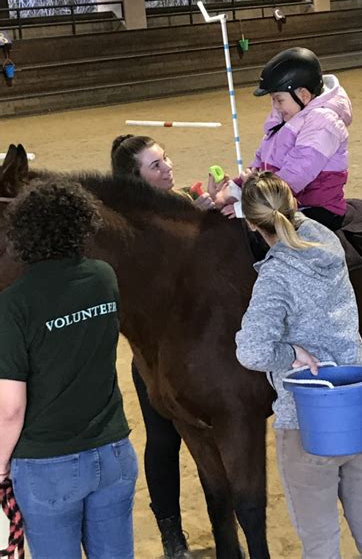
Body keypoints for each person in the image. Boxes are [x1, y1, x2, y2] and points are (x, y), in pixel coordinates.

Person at [235, 171, 362, 559]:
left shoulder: (275, 277)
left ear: (251, 224)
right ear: (293, 206)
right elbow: (292, 215)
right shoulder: (327, 241)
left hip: (309, 421)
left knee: (321, 540)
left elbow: (252, 351)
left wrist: (291, 353)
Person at [0, 179, 137, 559]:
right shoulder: (103, 276)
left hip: (48, 465)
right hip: (113, 453)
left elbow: (10, 408)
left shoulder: (14, 305)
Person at [111, 133, 214, 559]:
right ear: (135, 180)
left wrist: (204, 214)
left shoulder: (178, 206)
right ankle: (172, 537)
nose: (168, 167)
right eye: (156, 166)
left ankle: (220, 528)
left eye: (165, 158)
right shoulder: (127, 230)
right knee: (163, 440)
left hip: (198, 350)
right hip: (155, 356)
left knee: (209, 440)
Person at [223, 47, 352, 231]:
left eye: (279, 99)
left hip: (318, 210)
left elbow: (294, 177)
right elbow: (261, 160)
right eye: (273, 100)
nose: (275, 106)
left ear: (304, 96)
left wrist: (250, 206)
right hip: (279, 200)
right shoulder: (285, 118)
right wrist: (235, 188)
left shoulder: (323, 123)